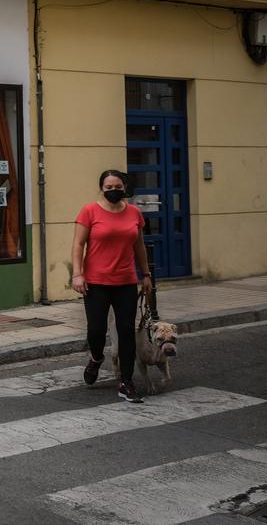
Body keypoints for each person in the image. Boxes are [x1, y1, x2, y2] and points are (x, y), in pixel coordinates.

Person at [71, 169, 153, 403]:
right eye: (109, 188)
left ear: (124, 188)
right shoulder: (89, 211)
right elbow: (78, 245)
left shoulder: (134, 213)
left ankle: (126, 382)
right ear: (101, 188)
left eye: (118, 187)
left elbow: (139, 246)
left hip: (125, 281)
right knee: (96, 330)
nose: (114, 192)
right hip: (96, 282)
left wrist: (145, 274)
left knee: (126, 331)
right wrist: (78, 274)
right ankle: (96, 358)